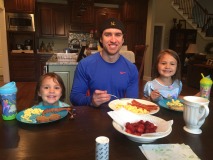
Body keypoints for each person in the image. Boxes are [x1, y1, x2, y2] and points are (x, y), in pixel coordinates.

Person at [70, 18, 139, 107]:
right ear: (101, 39)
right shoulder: (85, 65)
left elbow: (132, 103)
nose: (113, 40)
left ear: (123, 40)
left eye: (118, 35)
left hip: (120, 118)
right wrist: (91, 100)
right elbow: (74, 97)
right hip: (93, 118)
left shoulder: (131, 69)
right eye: (108, 34)